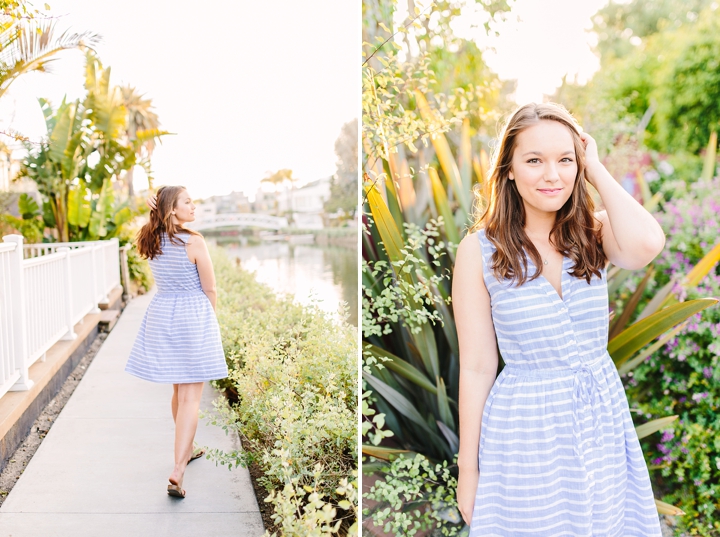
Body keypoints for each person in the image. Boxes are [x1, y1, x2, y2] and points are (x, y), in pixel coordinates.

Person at [452, 102, 665, 535]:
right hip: (525, 427)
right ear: (508, 168)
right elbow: (476, 368)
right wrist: (468, 469)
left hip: (599, 417)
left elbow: (647, 243)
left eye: (564, 159)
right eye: (534, 160)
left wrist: (596, 169)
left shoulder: (593, 232)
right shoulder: (478, 252)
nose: (553, 175)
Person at [126, 185, 229, 499]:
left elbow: (153, 220)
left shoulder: (151, 237)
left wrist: (155, 210)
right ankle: (178, 468)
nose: (194, 206)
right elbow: (210, 288)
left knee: (177, 391)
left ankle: (189, 449)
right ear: (172, 209)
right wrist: (209, 322)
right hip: (192, 316)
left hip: (163, 315)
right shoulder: (194, 241)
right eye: (188, 202)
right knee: (190, 399)